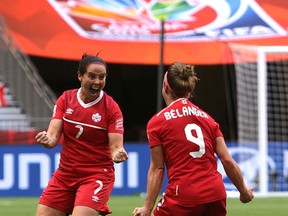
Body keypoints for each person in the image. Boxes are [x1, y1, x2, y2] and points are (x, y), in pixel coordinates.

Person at [133, 62, 254, 216]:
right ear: (189, 92)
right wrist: (243, 191)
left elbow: (157, 169)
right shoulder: (208, 119)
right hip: (215, 193)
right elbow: (227, 160)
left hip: (184, 193)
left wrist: (147, 208)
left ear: (165, 87)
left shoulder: (157, 122)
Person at [35, 53, 128, 216]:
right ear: (80, 76)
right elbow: (52, 137)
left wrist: (118, 154)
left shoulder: (111, 108)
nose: (97, 82)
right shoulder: (66, 99)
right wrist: (46, 139)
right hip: (66, 173)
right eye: (92, 76)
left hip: (96, 174)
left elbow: (115, 147)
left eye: (102, 77)